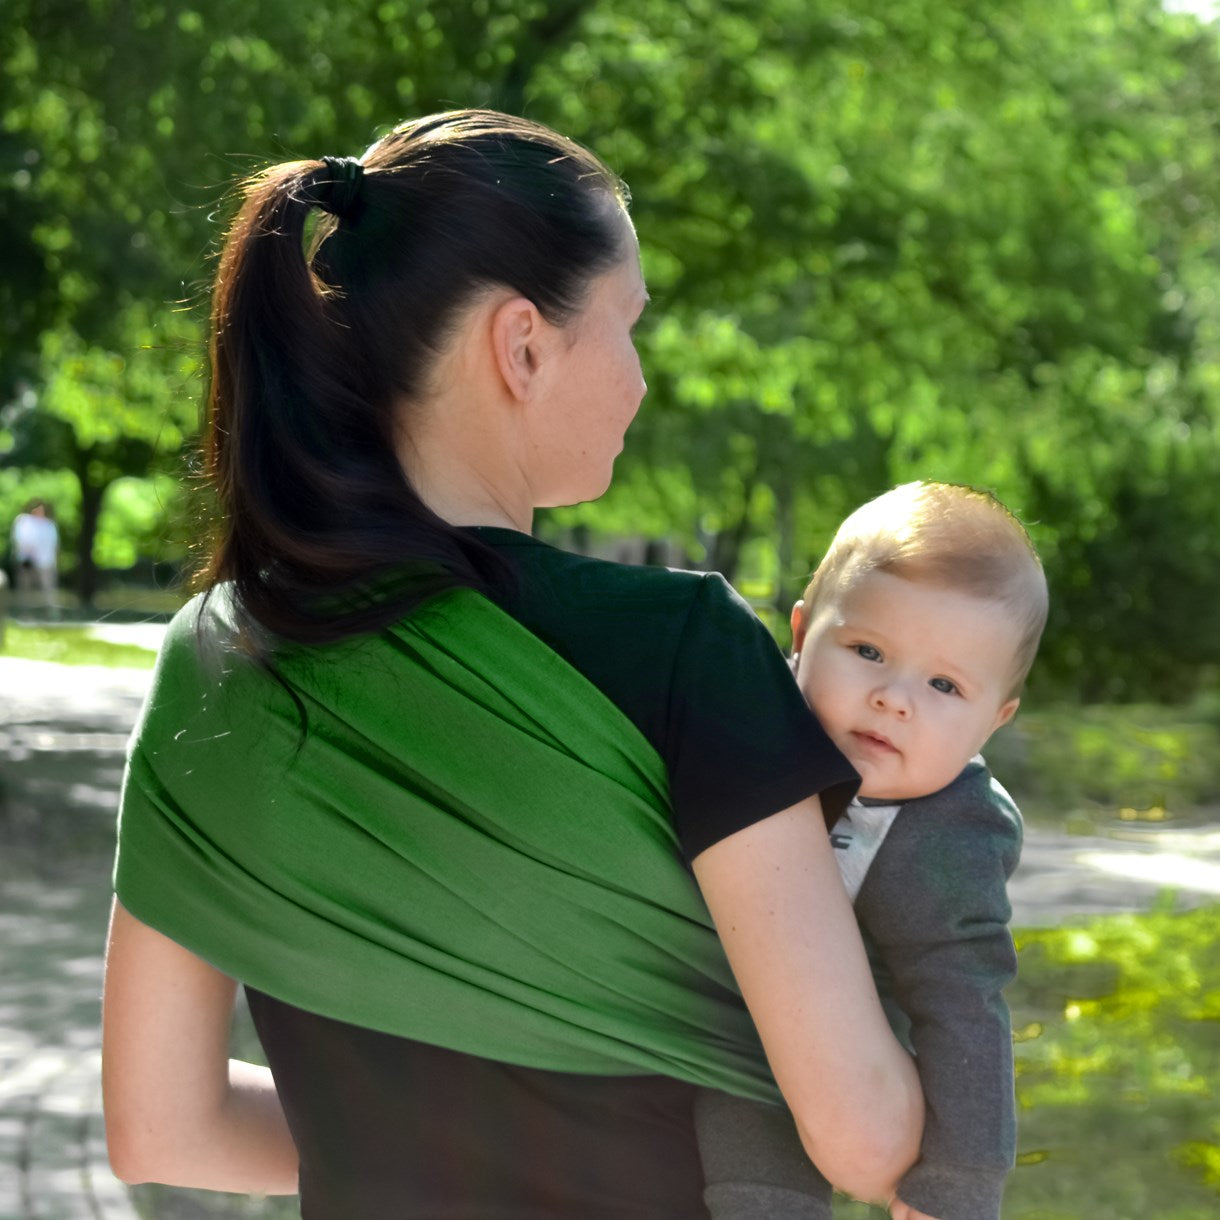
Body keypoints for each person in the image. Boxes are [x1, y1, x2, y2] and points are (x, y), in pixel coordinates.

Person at [101, 110, 925, 1217]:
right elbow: (861, 1135)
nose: (640, 377)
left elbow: (161, 1124)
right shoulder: (680, 647)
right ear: (523, 344)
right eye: (628, 325)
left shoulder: (218, 660)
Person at [696, 480, 1049, 1220]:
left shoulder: (953, 837)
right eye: (866, 650)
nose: (895, 698)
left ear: (996, 720)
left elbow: (964, 1009)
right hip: (692, 1009)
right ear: (800, 635)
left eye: (946, 685)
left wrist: (960, 1182)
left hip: (826, 1058)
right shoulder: (750, 729)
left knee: (758, 1171)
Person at [11, 499, 59, 616]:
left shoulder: (49, 525)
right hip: (27, 559)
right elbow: (19, 539)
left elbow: (54, 543)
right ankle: (25, 613)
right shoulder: (24, 522)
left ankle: (51, 613)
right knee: (25, 587)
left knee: (48, 587)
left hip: (45, 560)